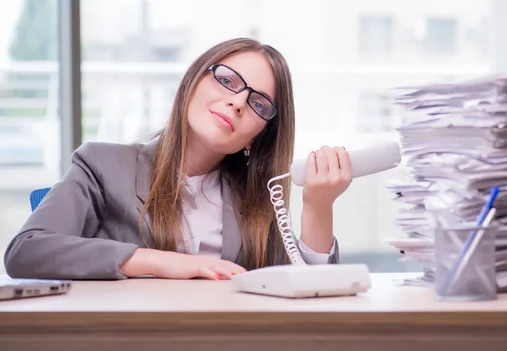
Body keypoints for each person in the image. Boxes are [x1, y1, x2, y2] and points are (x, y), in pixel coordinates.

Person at [3, 38, 352, 280]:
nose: (239, 102)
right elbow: (26, 251)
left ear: (259, 134)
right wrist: (159, 262)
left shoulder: (257, 200)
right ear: (192, 82)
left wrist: (318, 208)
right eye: (228, 80)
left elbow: (311, 295)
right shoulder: (102, 166)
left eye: (259, 103)